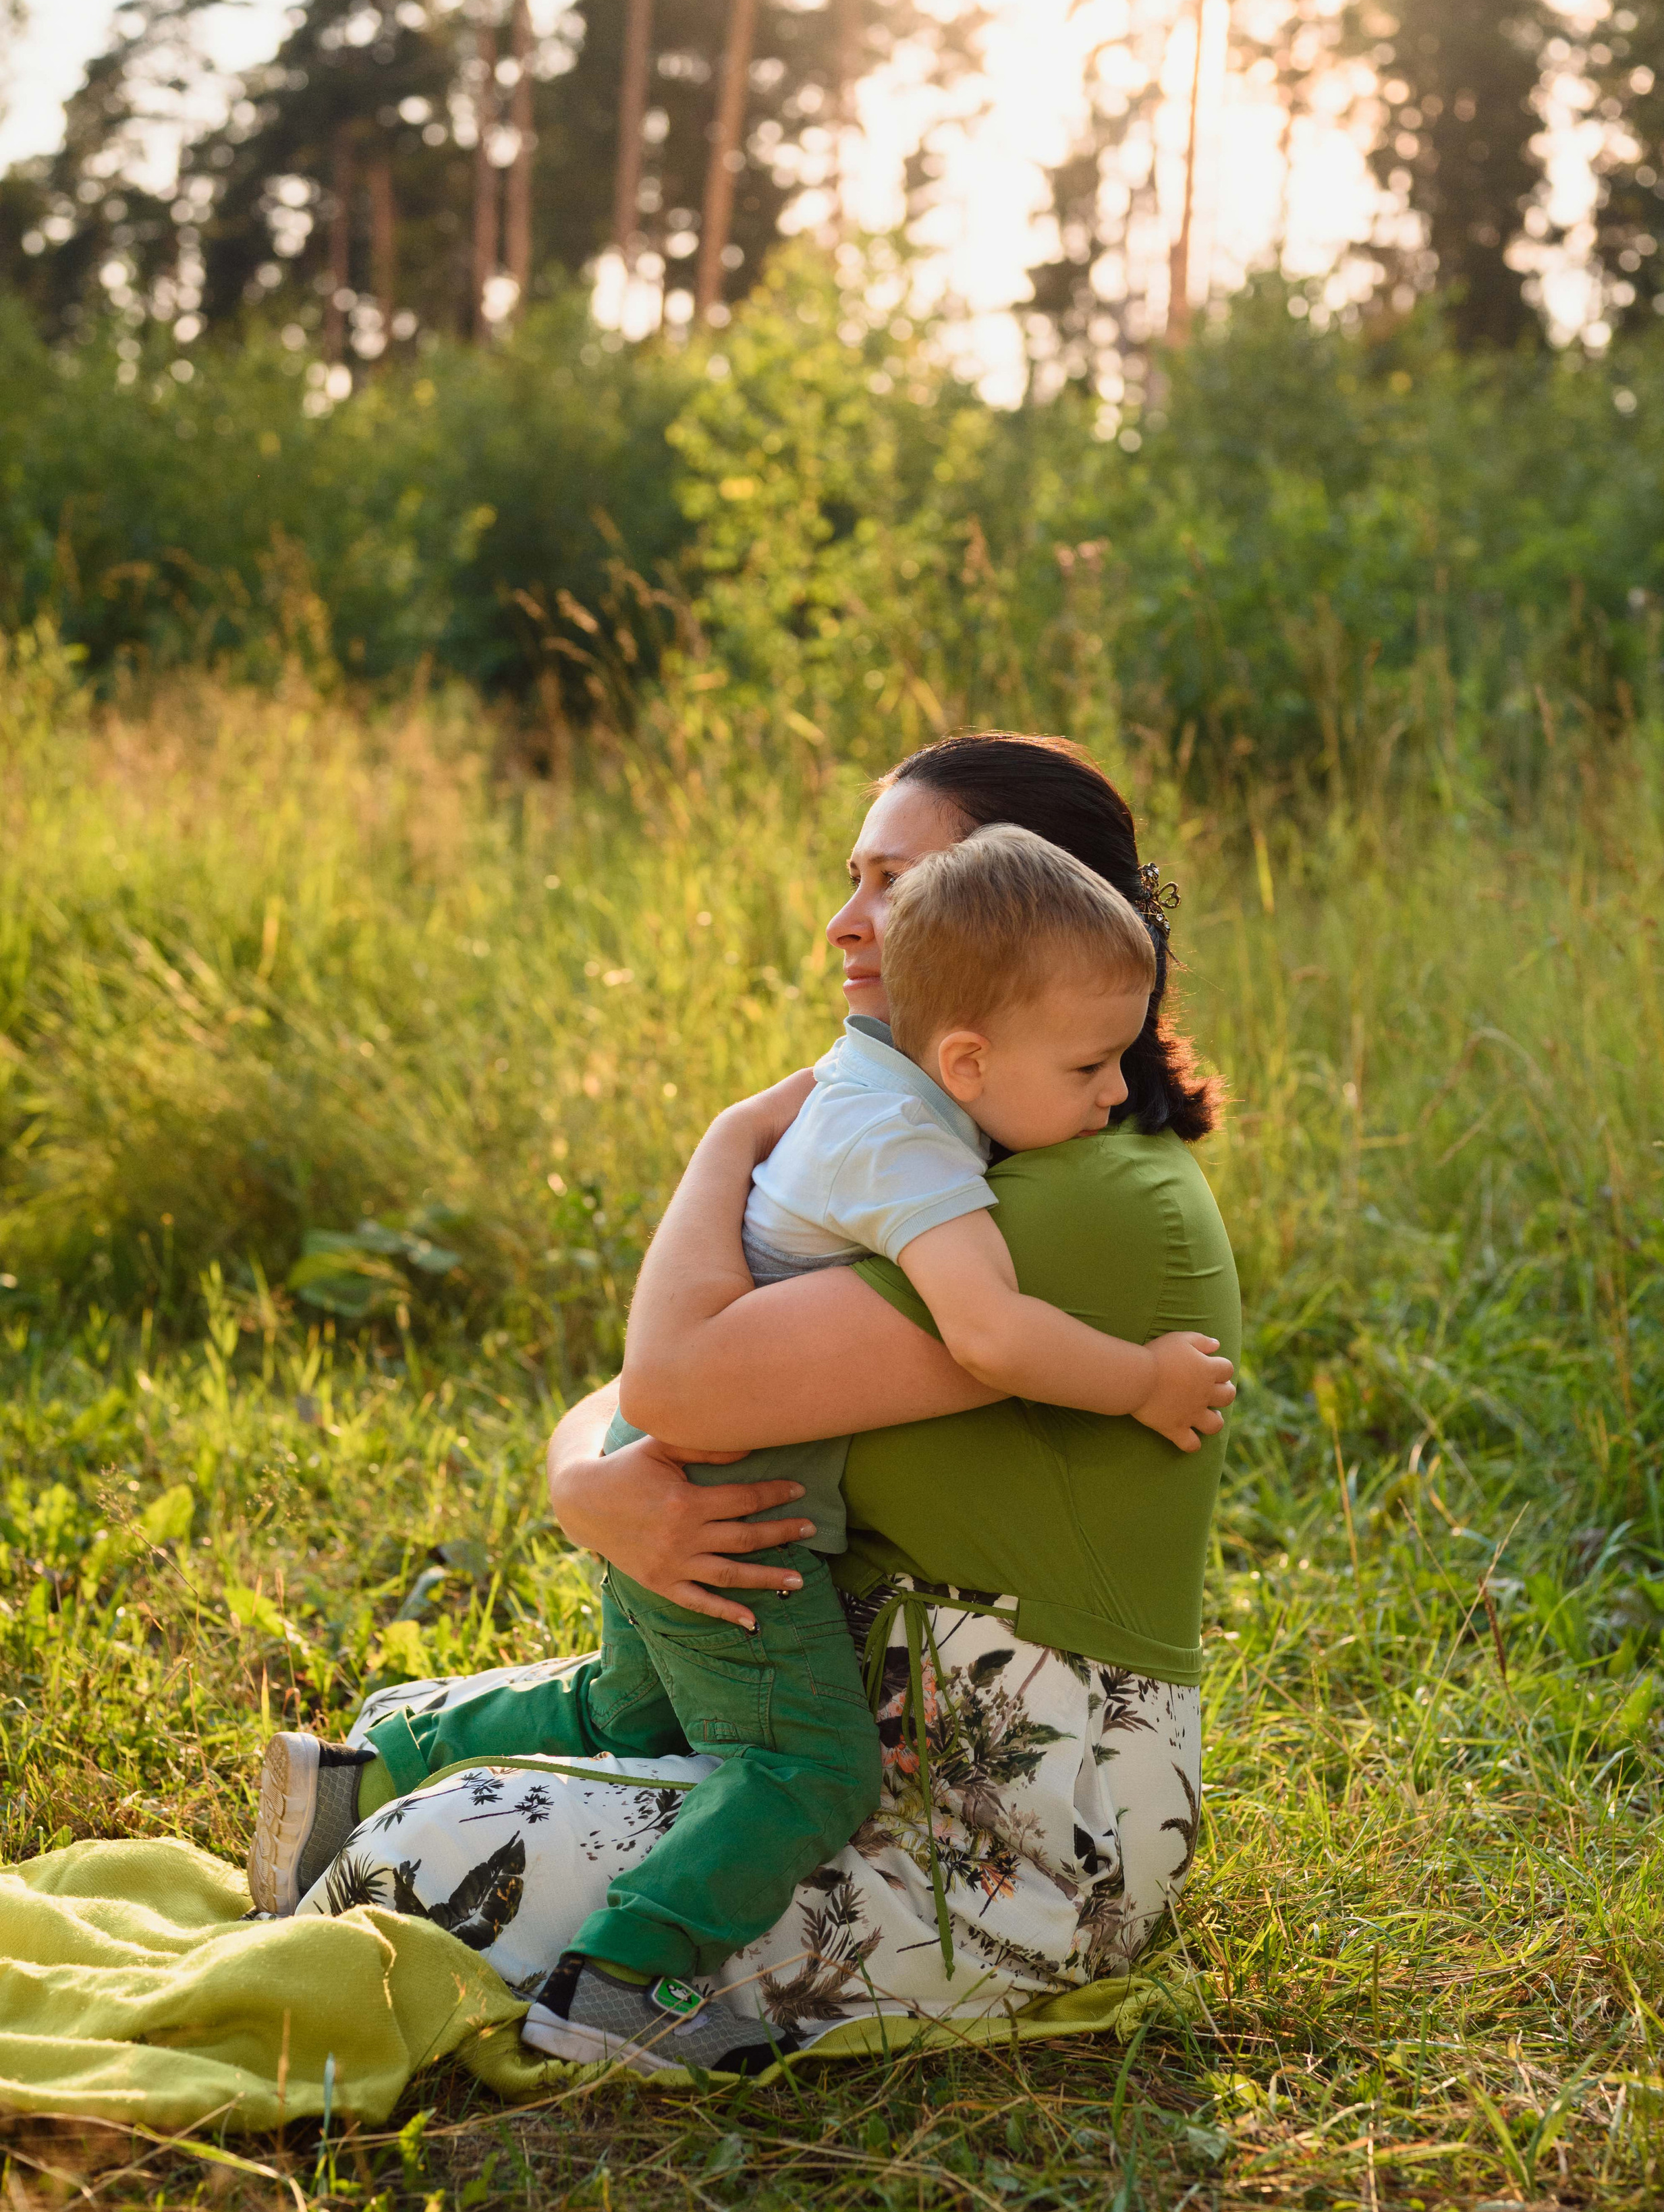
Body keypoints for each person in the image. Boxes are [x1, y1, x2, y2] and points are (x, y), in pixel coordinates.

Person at [272, 734, 1240, 2080]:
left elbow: (675, 1383)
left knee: (423, 1859)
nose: (844, 922)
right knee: (509, 1768)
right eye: (853, 876)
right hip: (831, 1730)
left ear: (1034, 908)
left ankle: (575, 1956)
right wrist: (586, 1489)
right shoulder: (938, 1137)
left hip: (1012, 1846)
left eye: (893, 884)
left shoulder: (1067, 1203)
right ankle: (404, 1792)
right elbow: (656, 1389)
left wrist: (728, 1138)